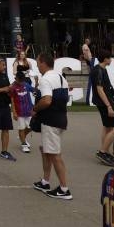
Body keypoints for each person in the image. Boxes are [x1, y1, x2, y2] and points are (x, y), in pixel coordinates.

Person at [31, 53, 72, 200]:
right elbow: (64, 98)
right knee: (45, 150)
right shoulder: (61, 78)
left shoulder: (45, 79)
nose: (37, 66)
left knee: (55, 155)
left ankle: (64, 189)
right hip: (60, 119)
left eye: (38, 63)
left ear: (43, 63)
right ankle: (45, 181)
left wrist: (35, 109)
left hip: (50, 121)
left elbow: (47, 101)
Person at [90, 50, 114, 166]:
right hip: (104, 103)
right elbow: (99, 89)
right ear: (105, 59)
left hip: (103, 102)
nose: (112, 59)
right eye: (110, 58)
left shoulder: (101, 69)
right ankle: (102, 152)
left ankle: (105, 151)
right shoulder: (98, 70)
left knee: (107, 127)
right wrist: (109, 106)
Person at [10, 67, 35, 153]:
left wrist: (38, 82)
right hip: (20, 112)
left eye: (22, 80)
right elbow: (12, 100)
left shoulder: (26, 84)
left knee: (32, 126)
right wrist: (14, 113)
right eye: (19, 80)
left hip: (29, 110)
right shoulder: (12, 87)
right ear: (15, 78)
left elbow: (34, 90)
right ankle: (24, 145)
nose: (21, 82)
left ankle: (22, 136)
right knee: (21, 128)